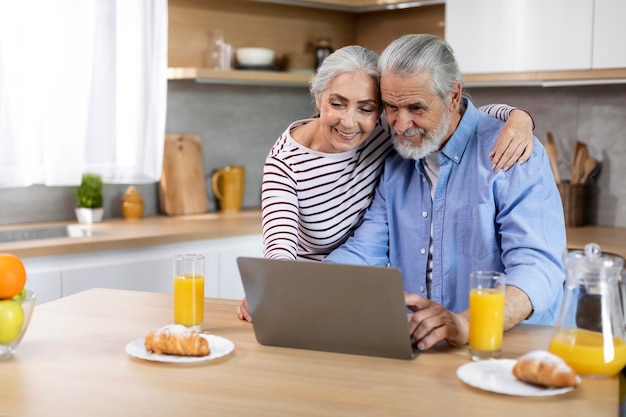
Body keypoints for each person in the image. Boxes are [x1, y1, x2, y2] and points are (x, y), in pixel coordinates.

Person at [237, 44, 535, 322]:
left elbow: (460, 113)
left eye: (366, 109)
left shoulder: (389, 129)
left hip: (364, 296)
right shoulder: (286, 164)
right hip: (312, 294)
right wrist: (272, 287)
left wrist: (518, 116)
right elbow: (282, 249)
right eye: (337, 104)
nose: (349, 122)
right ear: (318, 97)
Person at [324, 34, 566, 351]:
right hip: (427, 348)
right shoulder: (397, 162)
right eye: (391, 107)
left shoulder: (513, 153)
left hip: (507, 347)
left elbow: (539, 269)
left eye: (416, 107)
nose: (400, 124)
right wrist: (296, 289)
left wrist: (466, 323)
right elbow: (364, 250)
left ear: (453, 96)